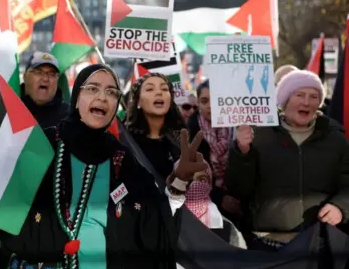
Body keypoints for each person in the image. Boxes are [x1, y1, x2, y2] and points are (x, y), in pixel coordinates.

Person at [0, 65, 205, 269]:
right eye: (93, 89)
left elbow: (156, 222)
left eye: (112, 92)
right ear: (76, 98)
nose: (103, 97)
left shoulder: (123, 159)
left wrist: (178, 182)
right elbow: (4, 215)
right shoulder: (42, 147)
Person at [225, 70, 349, 250]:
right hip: (267, 242)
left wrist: (340, 208)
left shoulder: (336, 139)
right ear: (285, 100)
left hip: (319, 241)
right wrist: (242, 152)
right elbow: (238, 189)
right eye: (299, 95)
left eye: (314, 96)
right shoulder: (257, 135)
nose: (306, 102)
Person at [125, 73, 221, 228]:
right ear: (137, 102)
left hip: (187, 226)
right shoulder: (127, 144)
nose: (159, 93)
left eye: (164, 89)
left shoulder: (189, 140)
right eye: (150, 89)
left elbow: (205, 189)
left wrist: (199, 179)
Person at [187, 81, 241, 221]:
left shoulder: (239, 128)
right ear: (198, 104)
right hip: (205, 210)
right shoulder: (188, 134)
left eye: (217, 100)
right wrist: (220, 197)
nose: (210, 106)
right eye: (204, 101)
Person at [20, 51, 70, 129]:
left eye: (51, 74)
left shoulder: (69, 117)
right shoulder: (8, 112)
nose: (45, 78)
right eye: (38, 72)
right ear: (25, 76)